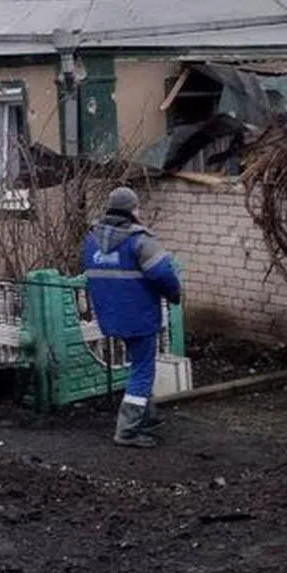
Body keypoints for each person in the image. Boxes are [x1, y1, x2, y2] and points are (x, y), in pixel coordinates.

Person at [83, 187, 182, 448]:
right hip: (139, 316)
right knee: (142, 370)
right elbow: (163, 274)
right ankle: (127, 431)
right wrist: (175, 294)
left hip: (110, 316)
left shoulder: (92, 240)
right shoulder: (140, 240)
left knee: (138, 363)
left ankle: (145, 418)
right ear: (132, 209)